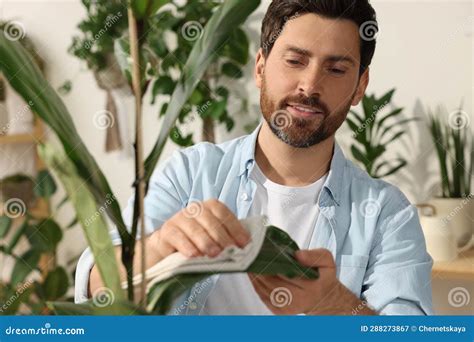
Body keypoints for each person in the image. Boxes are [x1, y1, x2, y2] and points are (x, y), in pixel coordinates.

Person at [75, 0, 433, 315]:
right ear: (260, 68)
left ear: (360, 87)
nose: (310, 85)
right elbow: (99, 289)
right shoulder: (190, 174)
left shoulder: (388, 213)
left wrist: (333, 304)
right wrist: (158, 246)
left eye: (336, 69)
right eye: (295, 60)